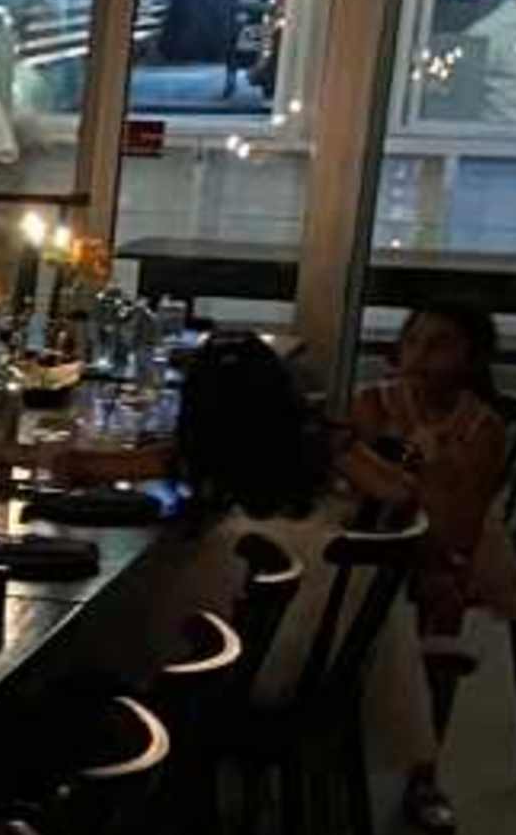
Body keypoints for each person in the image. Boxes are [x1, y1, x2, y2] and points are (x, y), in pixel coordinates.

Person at [161, 333, 435, 780]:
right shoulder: (314, 443)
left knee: (133, 617)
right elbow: (398, 490)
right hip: (312, 639)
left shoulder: (200, 450)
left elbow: (96, 465)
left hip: (248, 648)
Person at [335, 294, 516, 835]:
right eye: (413, 340)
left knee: (441, 591)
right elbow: (351, 485)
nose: (420, 354)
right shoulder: (372, 403)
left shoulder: (480, 427)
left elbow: (463, 520)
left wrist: (429, 541)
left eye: (440, 345)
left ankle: (425, 771)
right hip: (372, 534)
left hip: (451, 543)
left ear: (472, 359)